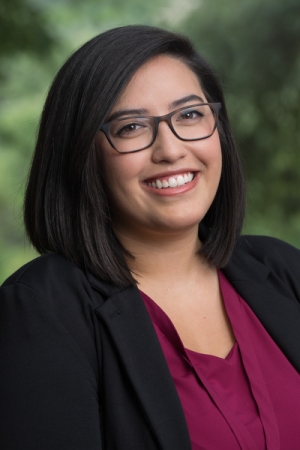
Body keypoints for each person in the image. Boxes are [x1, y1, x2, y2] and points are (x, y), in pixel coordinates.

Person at [1, 25, 300, 450]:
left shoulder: (285, 271)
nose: (171, 149)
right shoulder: (41, 309)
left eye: (190, 115)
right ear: (80, 155)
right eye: (131, 127)